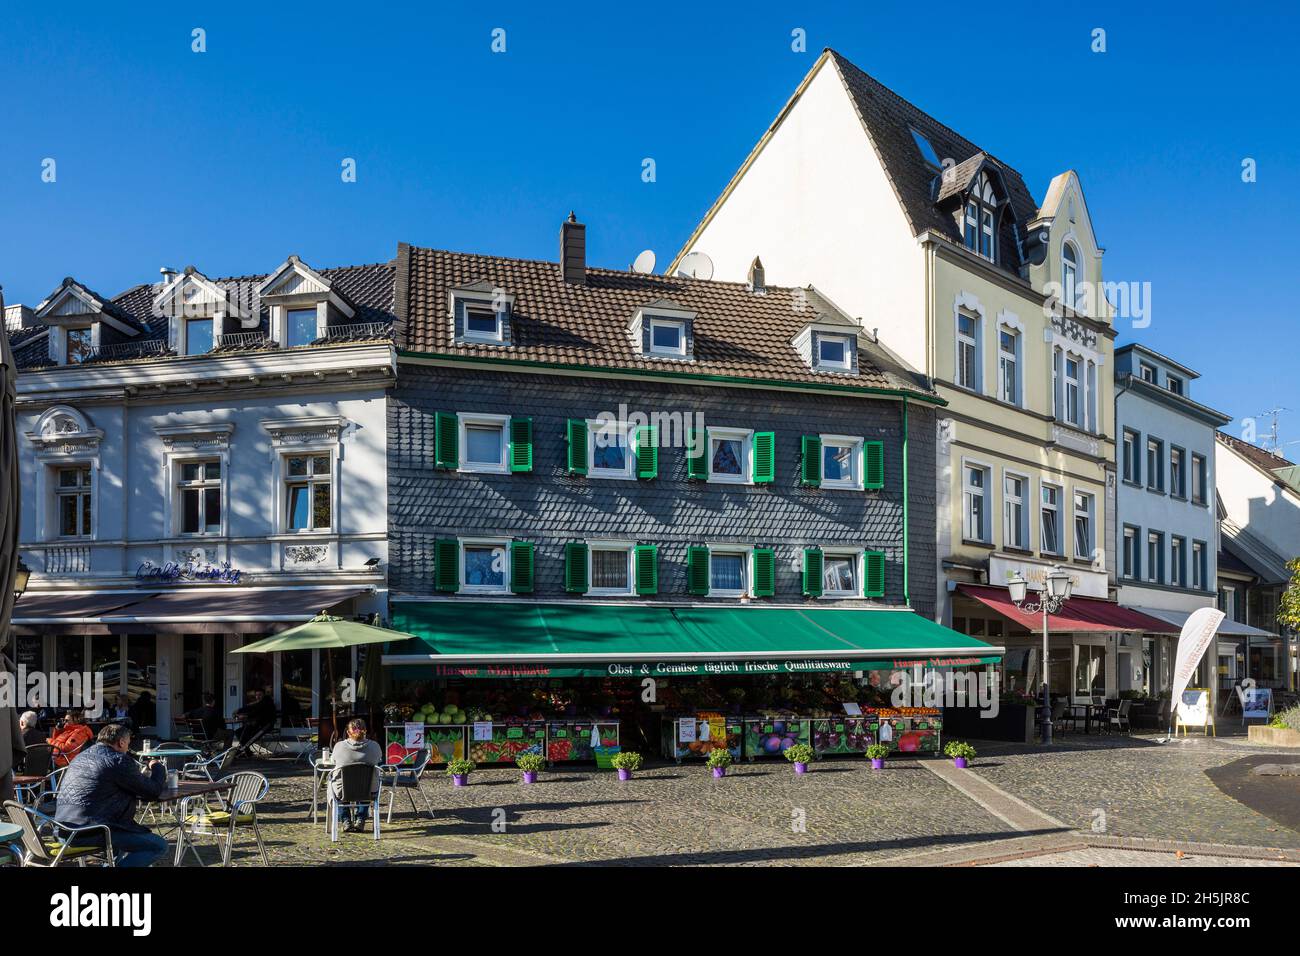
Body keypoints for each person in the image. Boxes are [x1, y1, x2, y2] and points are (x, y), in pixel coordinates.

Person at [54, 723, 168, 867]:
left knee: (120, 833)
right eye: (128, 743)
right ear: (121, 742)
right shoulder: (117, 760)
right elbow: (153, 791)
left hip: (64, 828)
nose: (128, 748)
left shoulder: (80, 757)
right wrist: (157, 767)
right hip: (91, 831)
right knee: (158, 846)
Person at [329, 718, 381, 832]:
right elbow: (378, 759)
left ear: (348, 732)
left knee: (333, 783)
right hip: (368, 791)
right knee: (366, 784)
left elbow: (333, 761)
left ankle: (345, 820)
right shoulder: (375, 746)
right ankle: (360, 819)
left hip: (343, 790)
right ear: (365, 731)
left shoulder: (339, 746)